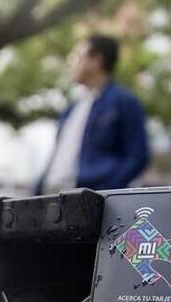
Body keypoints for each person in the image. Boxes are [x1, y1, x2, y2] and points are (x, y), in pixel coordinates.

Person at [36, 34, 149, 194]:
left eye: (77, 57)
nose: (71, 63)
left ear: (96, 61)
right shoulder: (72, 107)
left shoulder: (123, 102)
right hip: (50, 198)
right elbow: (57, 154)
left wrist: (102, 192)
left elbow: (137, 157)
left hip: (86, 202)